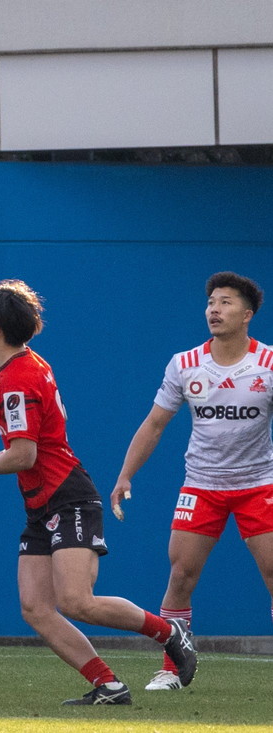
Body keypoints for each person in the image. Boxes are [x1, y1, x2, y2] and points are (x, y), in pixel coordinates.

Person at [0, 279, 198, 705]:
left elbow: (25, 455)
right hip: (43, 503)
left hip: (68, 499)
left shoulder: (16, 379)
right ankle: (109, 685)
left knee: (76, 601)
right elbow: (34, 448)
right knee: (35, 607)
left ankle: (169, 631)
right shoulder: (24, 365)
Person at [109, 271, 273, 691]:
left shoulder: (269, 363)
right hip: (202, 486)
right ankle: (173, 667)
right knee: (181, 574)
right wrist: (126, 474)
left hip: (260, 484)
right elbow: (155, 424)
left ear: (247, 315)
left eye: (225, 302)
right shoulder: (185, 364)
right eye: (211, 302)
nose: (214, 310)